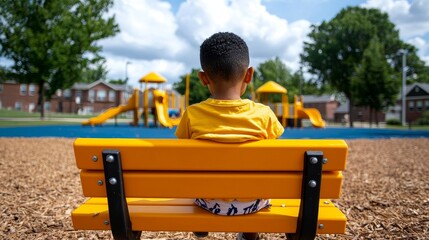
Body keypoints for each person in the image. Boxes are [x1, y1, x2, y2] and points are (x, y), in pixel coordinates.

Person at [175, 32, 284, 240]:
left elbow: (185, 157)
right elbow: (274, 157)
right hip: (252, 202)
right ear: (249, 75)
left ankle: (201, 222)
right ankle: (249, 232)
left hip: (208, 201)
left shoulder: (192, 114)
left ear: (203, 78)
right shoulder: (264, 115)